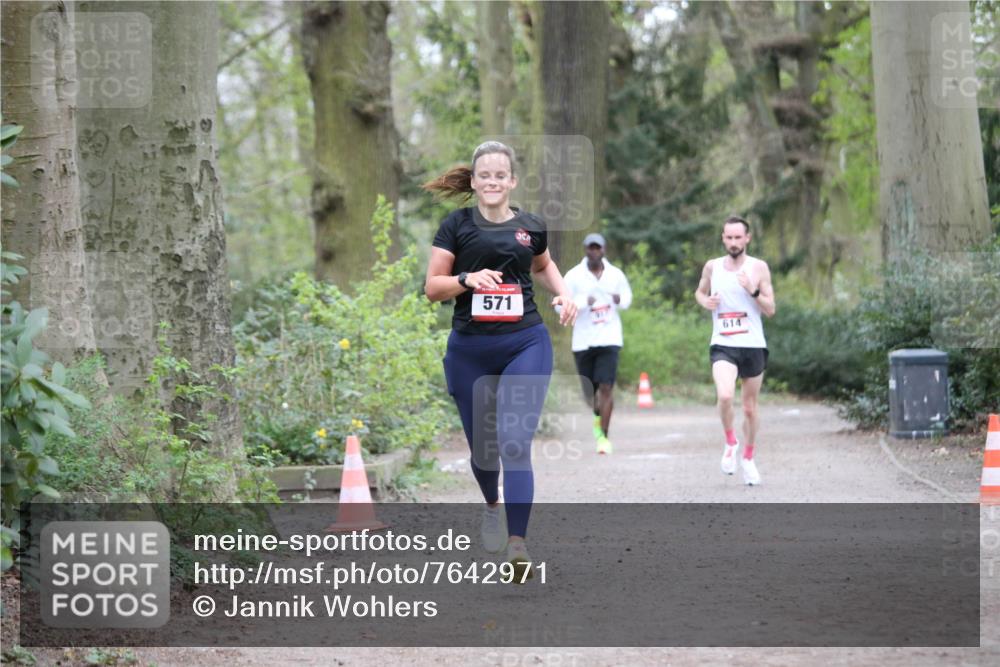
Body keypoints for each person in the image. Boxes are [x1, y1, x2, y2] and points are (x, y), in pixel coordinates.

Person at [423, 140, 577, 579]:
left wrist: (564, 294)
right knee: (484, 451)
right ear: (474, 182)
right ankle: (492, 504)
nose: (492, 182)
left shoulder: (530, 227)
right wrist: (467, 279)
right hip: (469, 350)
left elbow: (543, 266)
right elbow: (433, 287)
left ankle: (518, 545)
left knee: (513, 441)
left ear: (511, 181)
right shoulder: (455, 225)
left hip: (524, 342)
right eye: (484, 175)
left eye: (500, 175)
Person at [693, 216, 775, 486]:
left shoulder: (759, 268)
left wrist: (752, 290)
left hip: (753, 345)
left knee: (750, 409)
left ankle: (748, 459)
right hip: (723, 344)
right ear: (723, 238)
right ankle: (731, 442)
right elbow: (700, 292)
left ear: (747, 239)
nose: (733, 242)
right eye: (729, 237)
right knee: (725, 395)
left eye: (738, 237)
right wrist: (707, 301)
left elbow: (771, 309)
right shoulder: (712, 267)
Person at [563, 233, 632, 454]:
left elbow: (628, 299)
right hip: (583, 340)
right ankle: (596, 417)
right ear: (585, 250)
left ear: (603, 249)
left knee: (606, 387)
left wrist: (619, 299)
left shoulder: (615, 274)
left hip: (609, 338)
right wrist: (583, 302)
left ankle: (604, 437)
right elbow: (560, 306)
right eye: (590, 248)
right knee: (589, 392)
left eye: (597, 248)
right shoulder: (574, 276)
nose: (594, 252)